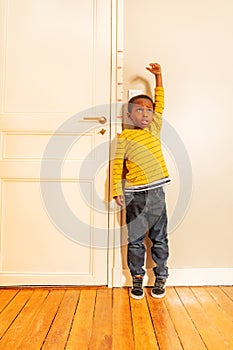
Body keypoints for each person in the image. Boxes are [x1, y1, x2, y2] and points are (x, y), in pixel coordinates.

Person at [112, 62, 170, 299]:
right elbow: (118, 167)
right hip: (134, 194)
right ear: (129, 115)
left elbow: (161, 102)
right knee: (135, 238)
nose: (145, 113)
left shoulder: (154, 129)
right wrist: (117, 190)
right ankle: (137, 278)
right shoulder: (124, 137)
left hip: (156, 192)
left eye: (148, 110)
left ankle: (161, 276)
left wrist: (159, 76)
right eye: (139, 110)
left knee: (159, 237)